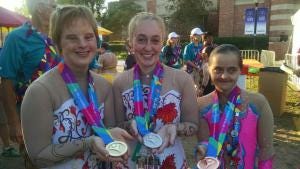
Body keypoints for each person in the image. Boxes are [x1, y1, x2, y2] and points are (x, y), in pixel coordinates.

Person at [21, 5, 133, 169]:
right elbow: (38, 157)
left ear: (97, 41)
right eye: (72, 38)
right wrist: (88, 143)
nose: (82, 44)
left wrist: (115, 136)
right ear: (58, 44)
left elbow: (109, 131)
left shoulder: (103, 86)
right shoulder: (40, 91)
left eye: (88, 37)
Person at [113, 12, 199, 168]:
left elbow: (193, 124)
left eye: (155, 40)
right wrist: (128, 125)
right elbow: (115, 125)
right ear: (130, 43)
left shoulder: (182, 79)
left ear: (162, 43)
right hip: (132, 162)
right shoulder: (120, 82)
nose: (148, 47)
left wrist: (174, 128)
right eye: (141, 39)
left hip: (172, 161)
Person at [0, 0, 59, 168]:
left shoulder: (61, 35)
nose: (57, 9)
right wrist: (13, 123)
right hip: (31, 115)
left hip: (64, 110)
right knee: (36, 160)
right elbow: (6, 82)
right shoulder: (16, 38)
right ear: (40, 9)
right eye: (53, 6)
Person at [196, 44, 274, 168]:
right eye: (218, 69)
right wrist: (201, 150)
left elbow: (266, 149)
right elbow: (203, 143)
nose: (224, 76)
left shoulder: (258, 103)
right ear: (208, 69)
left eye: (231, 70)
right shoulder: (200, 105)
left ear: (240, 69)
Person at [183, 27, 205, 96]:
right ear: (193, 36)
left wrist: (201, 67)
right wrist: (196, 67)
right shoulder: (188, 47)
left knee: (197, 87)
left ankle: (197, 102)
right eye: (198, 35)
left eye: (200, 35)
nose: (199, 37)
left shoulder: (201, 46)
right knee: (191, 87)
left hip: (198, 70)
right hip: (190, 70)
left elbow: (203, 58)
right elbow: (187, 60)